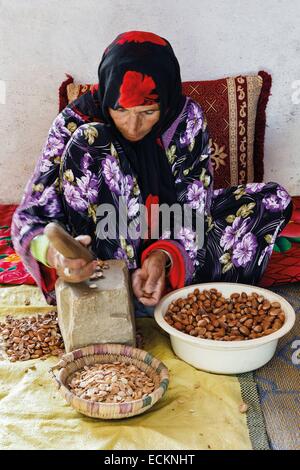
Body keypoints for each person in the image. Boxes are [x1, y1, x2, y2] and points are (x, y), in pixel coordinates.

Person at [12, 31, 292, 315]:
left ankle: (155, 281)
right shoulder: (74, 122)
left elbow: (194, 207)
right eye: (120, 110)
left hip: (167, 232)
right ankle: (116, 291)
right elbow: (30, 218)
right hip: (99, 253)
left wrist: (162, 256)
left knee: (272, 200)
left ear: (166, 101)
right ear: (107, 96)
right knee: (93, 138)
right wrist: (56, 255)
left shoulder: (185, 118)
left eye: (148, 112)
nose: (132, 126)